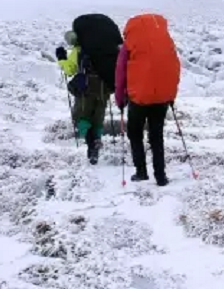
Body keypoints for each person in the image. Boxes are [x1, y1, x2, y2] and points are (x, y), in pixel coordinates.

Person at [114, 13, 181, 186]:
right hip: (162, 98)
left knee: (135, 133)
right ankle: (161, 176)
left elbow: (121, 74)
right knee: (156, 135)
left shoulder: (129, 45)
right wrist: (170, 95)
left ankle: (141, 172)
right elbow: (175, 68)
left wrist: (120, 99)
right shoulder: (166, 42)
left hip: (139, 97)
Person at [56, 14, 123, 164]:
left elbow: (70, 70)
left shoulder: (80, 50)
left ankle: (91, 146)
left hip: (86, 89)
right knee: (98, 117)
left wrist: (61, 58)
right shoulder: (110, 51)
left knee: (82, 117)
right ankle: (96, 141)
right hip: (104, 89)